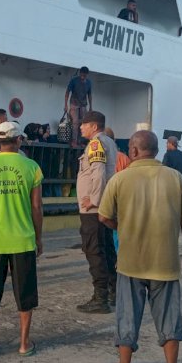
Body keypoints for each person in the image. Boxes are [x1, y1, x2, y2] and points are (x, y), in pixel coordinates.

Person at [98, 130, 182, 363]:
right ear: (156, 150)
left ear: (132, 151)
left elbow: (104, 217)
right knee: (169, 316)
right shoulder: (176, 179)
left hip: (131, 261)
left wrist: (123, 225)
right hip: (165, 262)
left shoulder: (120, 179)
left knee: (127, 315)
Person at [0, 121, 43, 358]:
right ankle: (24, 343)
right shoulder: (32, 167)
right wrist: (39, 237)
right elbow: (36, 206)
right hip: (23, 239)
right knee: (25, 291)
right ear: (19, 140)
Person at [76, 111, 118, 313]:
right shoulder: (109, 142)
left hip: (93, 209)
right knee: (107, 249)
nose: (81, 127)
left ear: (93, 126)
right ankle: (114, 291)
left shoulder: (95, 144)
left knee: (94, 250)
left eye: (83, 125)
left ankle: (100, 297)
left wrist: (93, 200)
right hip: (105, 206)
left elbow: (98, 172)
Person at [65, 66, 93, 147]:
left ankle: (80, 141)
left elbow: (89, 95)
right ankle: (74, 141)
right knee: (75, 123)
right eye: (82, 75)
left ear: (87, 75)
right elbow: (67, 92)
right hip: (74, 104)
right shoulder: (74, 80)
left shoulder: (88, 82)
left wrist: (91, 106)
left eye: (85, 76)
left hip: (83, 105)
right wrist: (66, 105)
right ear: (80, 73)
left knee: (83, 124)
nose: (83, 77)